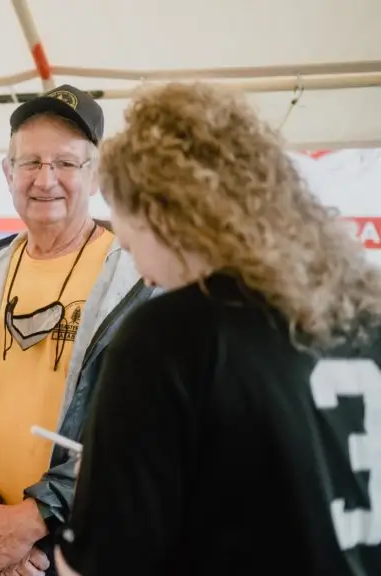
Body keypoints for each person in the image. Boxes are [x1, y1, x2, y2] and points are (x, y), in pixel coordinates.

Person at [54, 82, 381, 575]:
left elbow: (100, 564)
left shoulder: (168, 337)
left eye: (127, 231)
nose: (135, 261)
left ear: (161, 213)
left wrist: (105, 484)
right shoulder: (362, 315)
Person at [0, 84, 155, 576]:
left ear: (95, 176)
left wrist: (35, 519)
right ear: (8, 172)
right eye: (30, 163)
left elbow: (145, 429)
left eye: (66, 163)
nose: (45, 179)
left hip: (86, 549)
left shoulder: (138, 280)